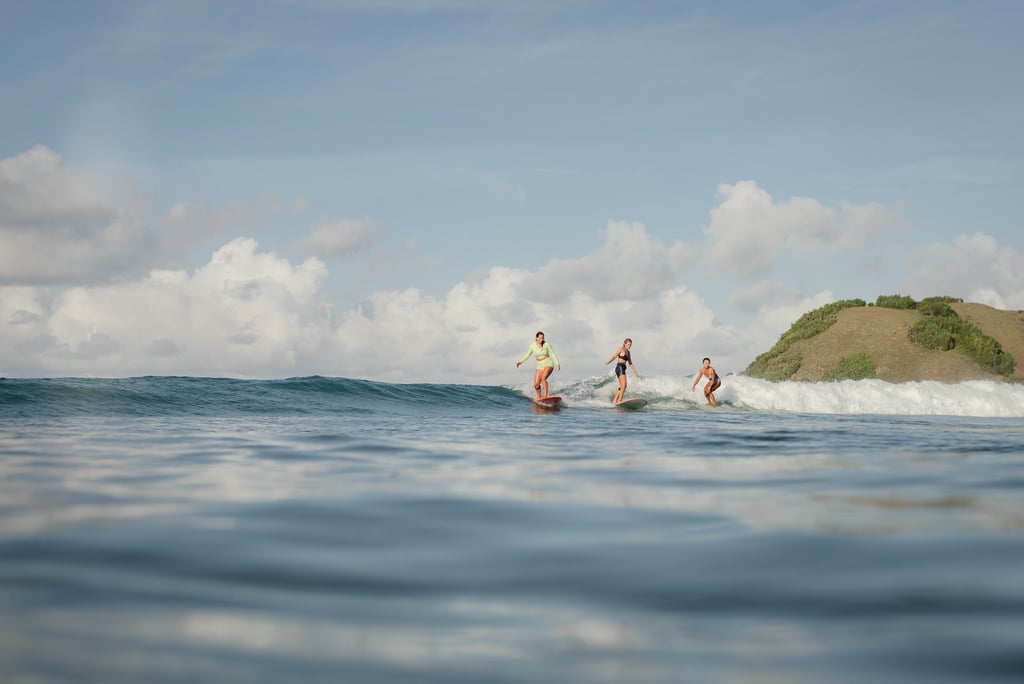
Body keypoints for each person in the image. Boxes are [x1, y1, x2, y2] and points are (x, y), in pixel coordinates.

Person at [516, 331, 560, 399]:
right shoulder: (532, 346)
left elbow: (552, 353)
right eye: (540, 338)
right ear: (536, 338)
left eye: (542, 338)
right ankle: (539, 397)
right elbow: (527, 354)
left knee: (543, 378)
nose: (541, 340)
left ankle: (546, 396)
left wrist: (557, 363)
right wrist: (520, 362)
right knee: (536, 384)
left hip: (548, 363)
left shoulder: (546, 344)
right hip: (539, 365)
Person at [605, 338, 639, 404]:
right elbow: (615, 356)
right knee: (623, 386)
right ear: (625, 344)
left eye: (630, 344)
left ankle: (614, 401)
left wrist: (635, 371)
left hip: (623, 368)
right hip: (620, 367)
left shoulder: (628, 352)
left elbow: (630, 363)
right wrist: (609, 362)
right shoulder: (621, 349)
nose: (629, 346)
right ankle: (619, 400)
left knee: (623, 386)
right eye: (628, 344)